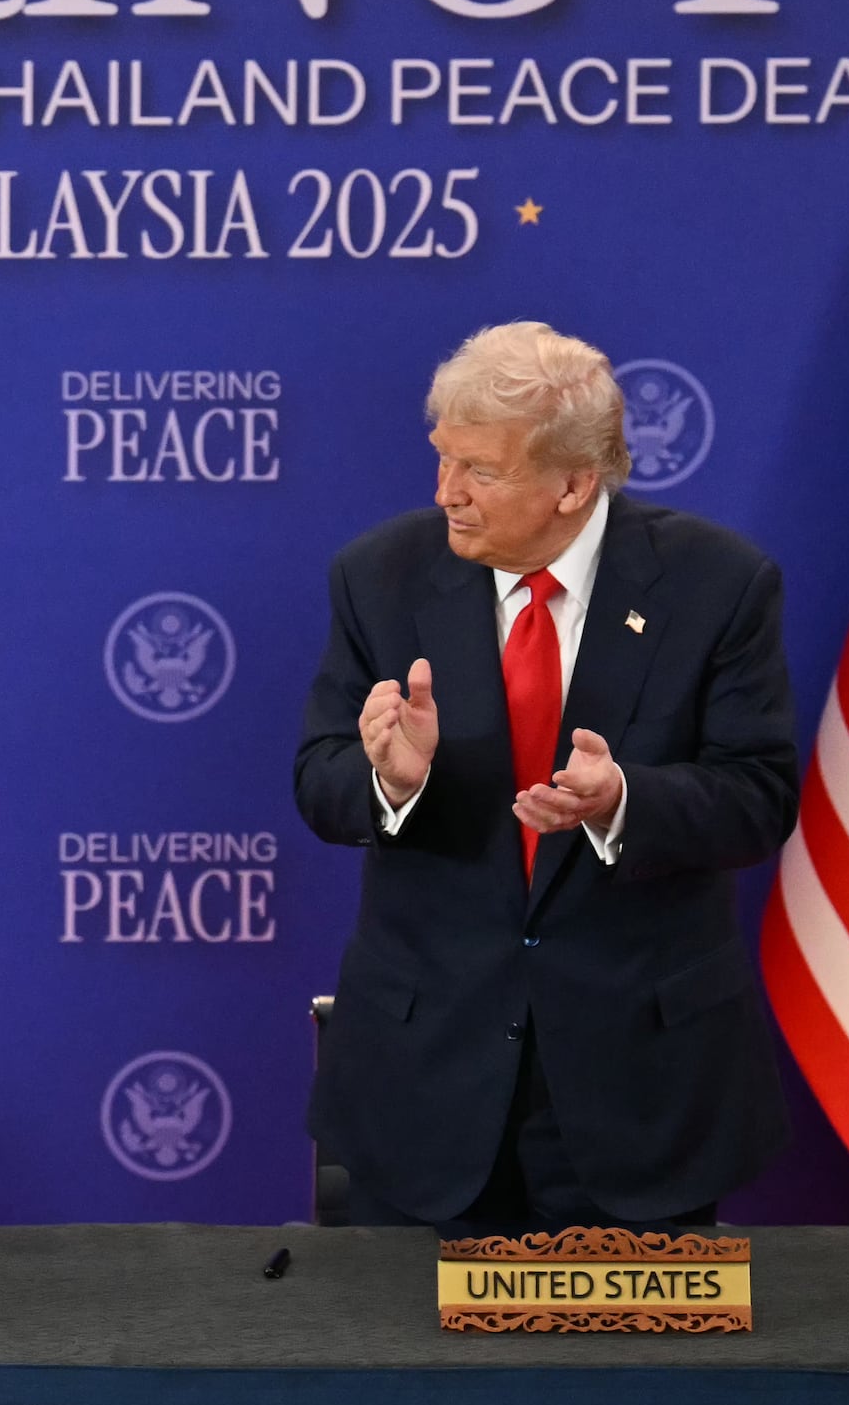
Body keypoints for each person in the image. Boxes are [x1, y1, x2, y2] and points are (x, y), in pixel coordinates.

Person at [296, 321, 799, 1234]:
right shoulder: (379, 576)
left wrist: (626, 802)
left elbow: (759, 800)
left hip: (639, 1092)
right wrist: (391, 784)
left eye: (479, 471)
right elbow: (318, 778)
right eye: (443, 459)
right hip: (423, 1088)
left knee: (627, 1379)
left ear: (574, 484)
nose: (446, 493)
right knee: (406, 1376)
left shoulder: (716, 585)